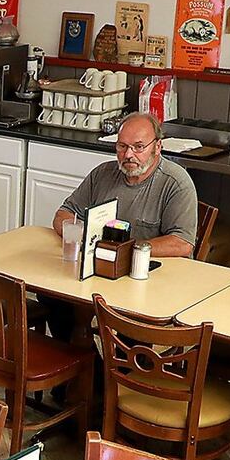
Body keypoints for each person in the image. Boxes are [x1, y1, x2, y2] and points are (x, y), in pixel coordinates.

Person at [44, 112, 199, 338]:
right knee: (52, 296)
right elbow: (64, 214)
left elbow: (182, 244)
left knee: (126, 323)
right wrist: (82, 236)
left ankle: (114, 367)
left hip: (149, 283)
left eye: (138, 147)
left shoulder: (176, 183)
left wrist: (126, 251)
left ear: (157, 147)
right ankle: (80, 358)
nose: (128, 155)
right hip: (101, 274)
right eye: (122, 146)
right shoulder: (103, 174)